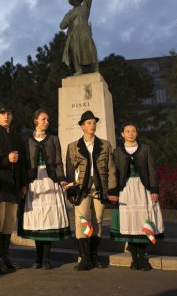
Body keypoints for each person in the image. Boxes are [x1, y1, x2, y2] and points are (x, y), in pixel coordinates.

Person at [18, 109, 71, 270]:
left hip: (50, 180)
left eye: (47, 119)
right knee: (37, 220)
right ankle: (38, 258)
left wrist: (61, 179)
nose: (46, 122)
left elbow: (58, 162)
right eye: (43, 119)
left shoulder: (54, 139)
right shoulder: (26, 140)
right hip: (34, 182)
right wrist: (24, 183)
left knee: (49, 219)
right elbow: (25, 164)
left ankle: (46, 258)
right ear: (35, 121)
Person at [65, 110, 117, 271]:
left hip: (100, 188)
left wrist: (113, 190)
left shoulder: (105, 144)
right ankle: (85, 258)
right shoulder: (73, 147)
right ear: (82, 126)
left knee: (98, 222)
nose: (92, 125)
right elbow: (69, 171)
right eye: (89, 123)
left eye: (94, 122)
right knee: (82, 222)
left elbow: (111, 168)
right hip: (81, 189)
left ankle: (94, 256)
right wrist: (71, 192)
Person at [110, 123, 165, 271]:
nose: (131, 133)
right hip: (126, 191)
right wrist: (114, 192)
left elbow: (152, 170)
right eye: (127, 131)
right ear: (122, 134)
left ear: (137, 133)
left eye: (133, 131)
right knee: (130, 224)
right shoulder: (117, 152)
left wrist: (154, 190)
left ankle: (142, 259)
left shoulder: (145, 149)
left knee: (142, 223)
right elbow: (114, 174)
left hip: (142, 189)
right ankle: (134, 260)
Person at [0, 102, 28, 274]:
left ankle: (6, 255)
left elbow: (23, 162)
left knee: (10, 222)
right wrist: (5, 159)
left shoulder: (17, 137)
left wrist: (23, 183)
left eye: (9, 113)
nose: (6, 116)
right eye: (2, 114)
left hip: (14, 185)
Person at [60, 0, 99, 74]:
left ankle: (96, 69)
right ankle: (78, 69)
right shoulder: (69, 13)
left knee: (90, 48)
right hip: (74, 34)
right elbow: (62, 26)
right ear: (72, 1)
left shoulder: (85, 7)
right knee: (75, 51)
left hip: (84, 30)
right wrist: (69, 17)